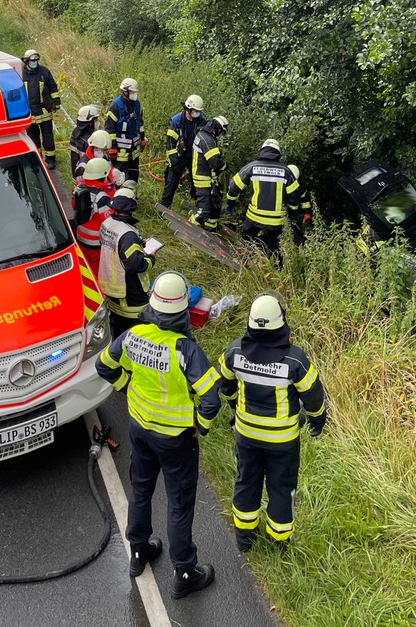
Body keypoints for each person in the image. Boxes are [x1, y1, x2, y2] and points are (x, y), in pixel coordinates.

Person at [96, 271, 221, 600]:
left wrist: (128, 389)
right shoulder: (184, 349)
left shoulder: (134, 335)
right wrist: (200, 426)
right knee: (179, 505)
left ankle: (138, 552)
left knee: (140, 490)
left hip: (140, 428)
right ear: (182, 310)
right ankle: (184, 571)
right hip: (176, 439)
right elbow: (210, 397)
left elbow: (105, 366)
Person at [217, 291, 327, 552]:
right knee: (281, 488)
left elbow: (224, 384)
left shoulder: (234, 351)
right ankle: (279, 542)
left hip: (246, 435)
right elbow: (313, 397)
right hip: (283, 442)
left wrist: (235, 405)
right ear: (281, 324)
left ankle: (245, 538)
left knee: (246, 482)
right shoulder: (295, 359)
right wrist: (317, 421)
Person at [97, 187, 159, 337]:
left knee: (118, 328)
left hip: (111, 286)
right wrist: (151, 257)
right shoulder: (128, 234)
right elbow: (136, 265)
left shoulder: (107, 223)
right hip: (129, 291)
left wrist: (137, 244)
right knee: (134, 331)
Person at [225, 139, 301, 260]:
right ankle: (275, 268)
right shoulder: (286, 171)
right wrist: (292, 214)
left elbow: (234, 186)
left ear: (262, 151)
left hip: (254, 217)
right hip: (276, 221)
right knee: (274, 246)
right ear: (278, 153)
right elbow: (294, 197)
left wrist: (230, 203)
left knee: (247, 240)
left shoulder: (252, 167)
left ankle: (243, 262)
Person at [160, 95, 205, 210]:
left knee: (197, 182)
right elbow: (170, 143)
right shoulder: (176, 121)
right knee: (172, 180)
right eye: (195, 111)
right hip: (180, 155)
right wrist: (174, 161)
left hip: (194, 156)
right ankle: (165, 206)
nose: (197, 113)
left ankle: (197, 206)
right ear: (188, 109)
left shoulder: (201, 121)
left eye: (199, 111)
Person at [71, 155, 114, 273]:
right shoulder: (102, 197)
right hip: (95, 243)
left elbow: (73, 206)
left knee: (84, 267)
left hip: (80, 237)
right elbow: (108, 222)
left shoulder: (78, 188)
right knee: (96, 271)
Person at [22, 48, 62, 169]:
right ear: (26, 61)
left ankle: (50, 159)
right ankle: (36, 159)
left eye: (36, 60)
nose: (34, 63)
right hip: (30, 113)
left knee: (48, 136)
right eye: (32, 61)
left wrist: (56, 103)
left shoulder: (44, 72)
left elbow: (53, 88)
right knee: (33, 137)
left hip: (44, 111)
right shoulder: (20, 73)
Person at [189, 115, 229, 231]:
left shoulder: (204, 135)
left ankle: (210, 230)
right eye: (220, 131)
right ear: (216, 128)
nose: (220, 134)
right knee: (204, 210)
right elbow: (215, 163)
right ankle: (190, 229)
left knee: (215, 207)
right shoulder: (208, 140)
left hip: (207, 178)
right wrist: (225, 166)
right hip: (203, 179)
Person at [105, 78, 145, 184]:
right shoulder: (115, 106)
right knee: (119, 176)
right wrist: (112, 147)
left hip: (134, 150)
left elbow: (140, 123)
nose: (134, 94)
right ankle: (117, 197)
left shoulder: (137, 104)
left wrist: (142, 138)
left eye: (135, 92)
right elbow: (109, 128)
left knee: (133, 174)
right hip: (120, 151)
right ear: (125, 91)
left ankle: (132, 197)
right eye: (132, 92)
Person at [69, 103, 102, 177]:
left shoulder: (76, 134)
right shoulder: (90, 140)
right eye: (95, 120)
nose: (97, 122)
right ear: (89, 122)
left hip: (78, 173)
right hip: (91, 174)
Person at [287, 163, 313, 246]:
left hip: (294, 214)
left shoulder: (301, 185)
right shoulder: (281, 184)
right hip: (282, 212)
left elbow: (305, 201)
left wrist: (307, 213)